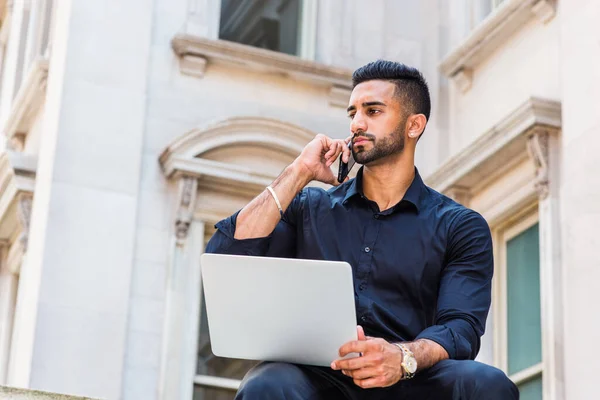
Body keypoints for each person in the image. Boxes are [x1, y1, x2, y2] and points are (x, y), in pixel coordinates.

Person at [205, 60, 519, 400]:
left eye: (373, 111)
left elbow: (460, 328)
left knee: (487, 384)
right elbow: (227, 257)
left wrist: (401, 358)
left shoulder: (460, 226)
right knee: (266, 383)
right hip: (316, 379)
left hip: (409, 379)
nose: (356, 123)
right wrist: (298, 172)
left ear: (414, 125)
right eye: (352, 112)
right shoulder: (311, 206)